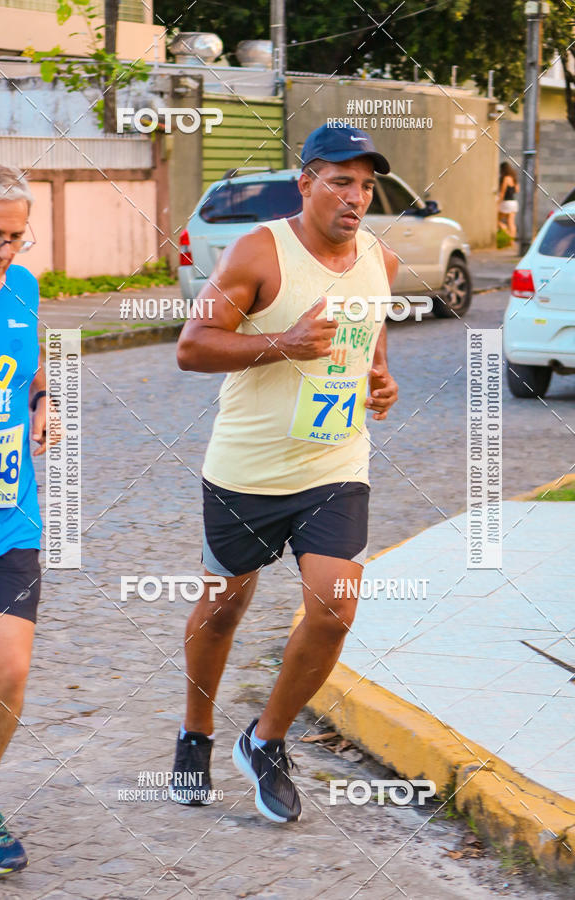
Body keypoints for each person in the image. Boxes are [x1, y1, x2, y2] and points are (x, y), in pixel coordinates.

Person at [171, 124, 399, 823]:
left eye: (365, 184)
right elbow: (192, 346)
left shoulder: (381, 261)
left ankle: (265, 740)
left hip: (334, 460)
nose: (355, 197)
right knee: (223, 608)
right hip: (247, 467)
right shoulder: (259, 250)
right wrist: (283, 342)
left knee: (334, 606)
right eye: (340, 180)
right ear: (306, 183)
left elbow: (369, 342)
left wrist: (381, 380)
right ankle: (195, 732)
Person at [0, 163, 49, 873]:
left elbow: (31, 363)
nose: (2, 251)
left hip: (4, 516)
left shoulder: (23, 290)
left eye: (15, 238)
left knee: (8, 669)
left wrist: (40, 404)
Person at [498, 161, 520, 244]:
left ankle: (506, 232)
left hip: (505, 203)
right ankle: (511, 241)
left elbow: (502, 192)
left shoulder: (506, 178)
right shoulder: (514, 178)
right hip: (513, 203)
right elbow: (517, 190)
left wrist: (498, 203)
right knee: (511, 222)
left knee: (496, 220)